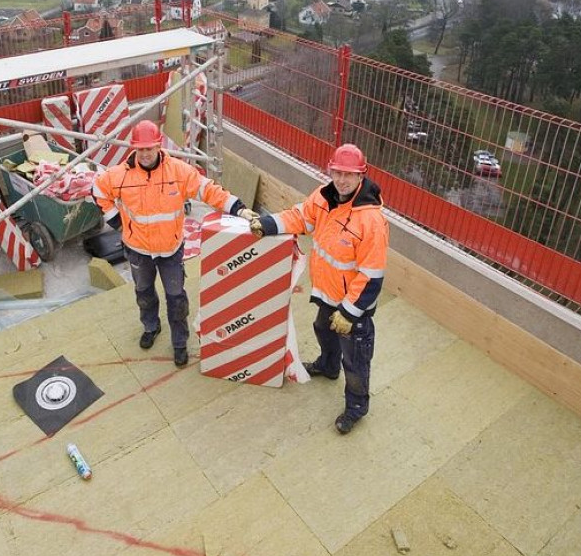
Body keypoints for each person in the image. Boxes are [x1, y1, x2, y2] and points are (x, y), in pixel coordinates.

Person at [93, 120, 258, 367]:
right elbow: (98, 189)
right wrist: (117, 221)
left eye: (150, 148)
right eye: (140, 149)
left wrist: (240, 209)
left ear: (159, 146)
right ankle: (151, 327)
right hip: (137, 251)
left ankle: (180, 343)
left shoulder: (179, 172)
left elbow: (209, 191)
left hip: (170, 252)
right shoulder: (120, 175)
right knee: (144, 294)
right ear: (134, 149)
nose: (145, 154)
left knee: (176, 298)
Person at [250, 144, 388, 434]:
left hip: (353, 308)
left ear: (361, 176)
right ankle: (327, 366)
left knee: (356, 360)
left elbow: (371, 275)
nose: (341, 180)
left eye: (348, 175)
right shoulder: (325, 197)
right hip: (328, 294)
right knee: (323, 330)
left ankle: (356, 407)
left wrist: (350, 313)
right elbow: (300, 217)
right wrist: (268, 223)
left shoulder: (371, 220)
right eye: (337, 172)